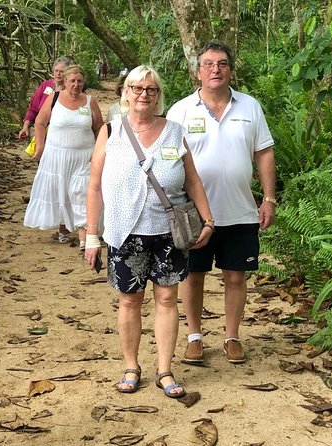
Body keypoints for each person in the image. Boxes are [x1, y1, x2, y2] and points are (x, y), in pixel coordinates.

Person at [84, 65, 215, 398]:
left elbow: (193, 180)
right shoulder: (111, 132)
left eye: (151, 90)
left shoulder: (174, 131)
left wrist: (208, 219)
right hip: (125, 232)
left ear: (158, 96)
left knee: (168, 298)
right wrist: (90, 235)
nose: (144, 94)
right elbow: (95, 185)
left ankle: (165, 369)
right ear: (125, 92)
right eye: (137, 88)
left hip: (169, 231)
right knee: (129, 301)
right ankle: (131, 366)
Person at [167, 41, 276, 365]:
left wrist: (268, 199)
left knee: (235, 276)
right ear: (198, 70)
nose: (216, 69)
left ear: (231, 69)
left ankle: (232, 337)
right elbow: (168, 159)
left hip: (240, 210)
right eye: (209, 64)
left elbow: (264, 153)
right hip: (194, 214)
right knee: (193, 275)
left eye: (223, 63)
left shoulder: (250, 107)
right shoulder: (181, 110)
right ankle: (195, 336)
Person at [23, 65, 103, 248]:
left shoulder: (90, 101)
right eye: (72, 81)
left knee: (82, 192)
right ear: (65, 82)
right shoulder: (55, 98)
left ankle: (85, 237)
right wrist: (41, 146)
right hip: (57, 155)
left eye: (79, 81)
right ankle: (63, 229)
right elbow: (40, 123)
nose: (75, 85)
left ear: (84, 83)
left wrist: (99, 150)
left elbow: (99, 127)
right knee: (61, 190)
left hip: (84, 156)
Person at [18, 56, 72, 140]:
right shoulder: (46, 85)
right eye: (56, 71)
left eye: (61, 71)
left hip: (60, 134)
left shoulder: (70, 89)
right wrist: (25, 127)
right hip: (39, 130)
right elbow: (33, 108)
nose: (58, 74)